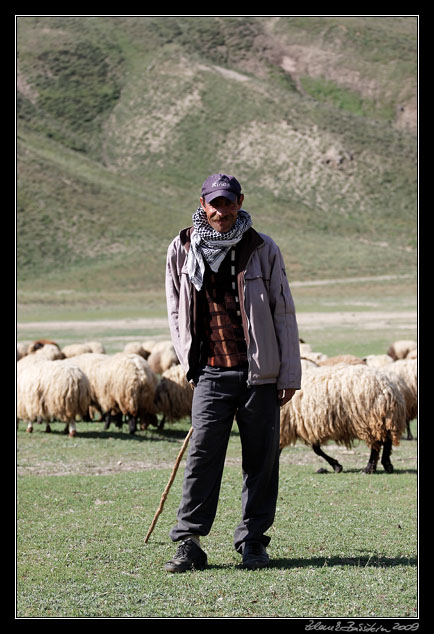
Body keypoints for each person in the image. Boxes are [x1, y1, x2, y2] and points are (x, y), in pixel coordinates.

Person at [164, 173, 301, 572]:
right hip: (210, 373)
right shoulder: (182, 248)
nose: (221, 211)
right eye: (215, 204)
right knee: (202, 457)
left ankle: (253, 541)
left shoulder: (262, 248)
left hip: (259, 375)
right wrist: (188, 360)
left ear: (240, 202)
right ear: (203, 203)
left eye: (228, 203)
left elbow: (283, 311)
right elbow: (176, 310)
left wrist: (288, 374)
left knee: (260, 461)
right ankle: (189, 543)